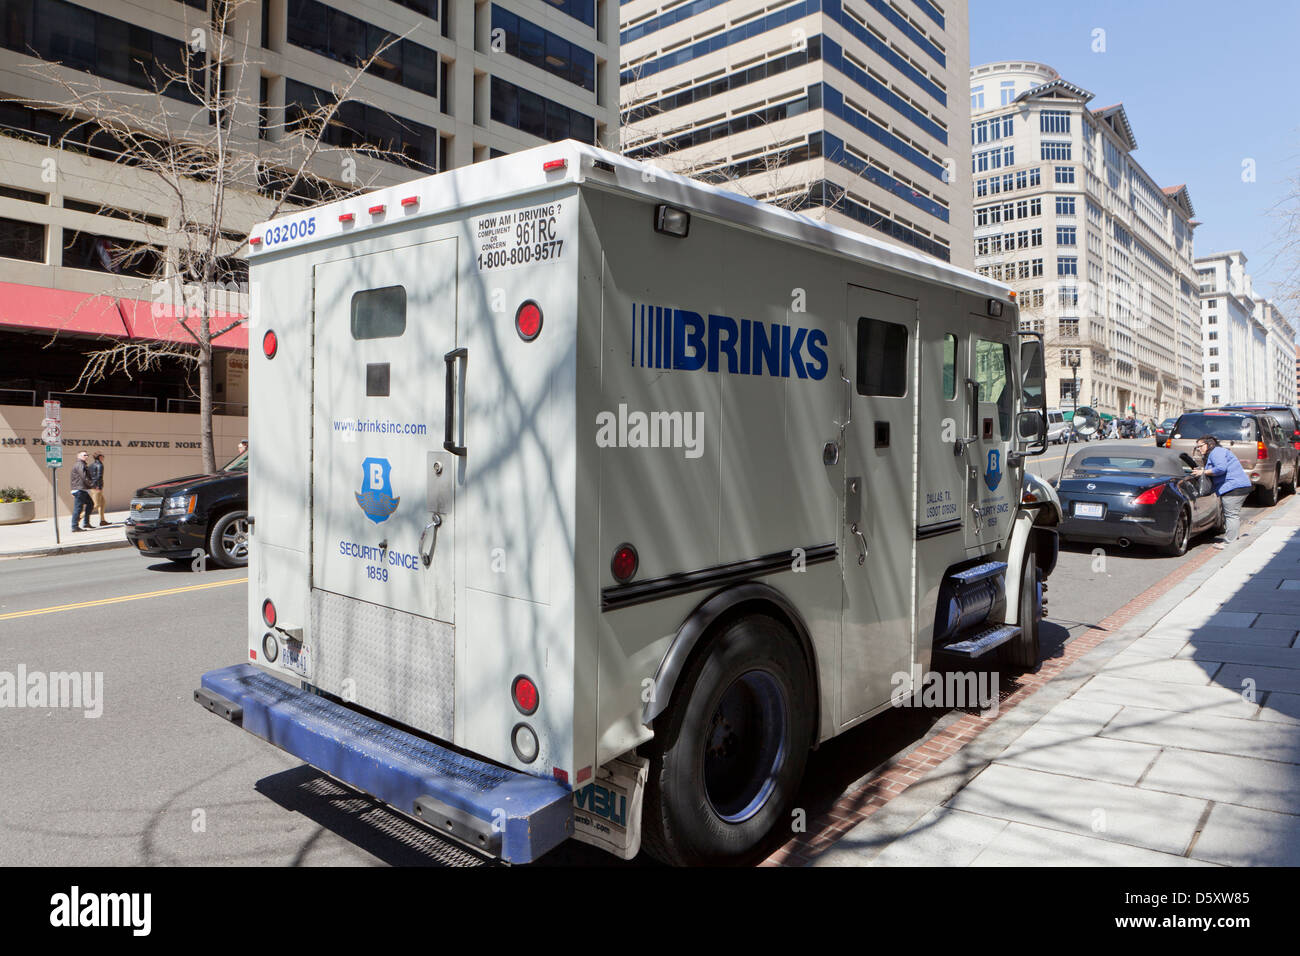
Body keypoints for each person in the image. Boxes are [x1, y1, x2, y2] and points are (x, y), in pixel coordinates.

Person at [1191, 436, 1252, 550]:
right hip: (1236, 486)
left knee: (1231, 515)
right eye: (1197, 447)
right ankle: (1232, 538)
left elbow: (1221, 468)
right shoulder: (1216, 452)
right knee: (1231, 514)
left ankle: (1230, 542)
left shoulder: (1216, 452)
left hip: (1233, 487)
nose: (1199, 449)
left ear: (1210, 444)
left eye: (1200, 446)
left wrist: (1203, 471)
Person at [69, 451, 92, 533]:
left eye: (87, 455)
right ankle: (74, 527)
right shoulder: (80, 464)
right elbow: (84, 476)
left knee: (90, 504)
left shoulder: (82, 464)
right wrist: (91, 484)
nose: (86, 456)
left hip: (82, 489)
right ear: (79, 456)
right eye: (84, 455)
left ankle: (86, 523)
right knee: (78, 508)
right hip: (79, 489)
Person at [87, 452, 111, 527]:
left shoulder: (91, 465)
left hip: (93, 486)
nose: (103, 457)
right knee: (96, 505)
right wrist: (98, 487)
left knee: (103, 503)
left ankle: (102, 520)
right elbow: (99, 477)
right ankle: (80, 516)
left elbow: (88, 476)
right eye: (103, 456)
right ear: (100, 457)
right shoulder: (100, 465)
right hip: (97, 487)